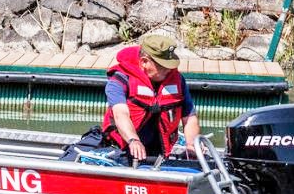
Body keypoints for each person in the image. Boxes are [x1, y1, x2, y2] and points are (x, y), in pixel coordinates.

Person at [60, 32, 201, 164]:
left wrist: (191, 145)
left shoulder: (177, 80)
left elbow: (189, 117)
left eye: (170, 66)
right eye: (163, 67)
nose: (169, 70)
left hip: (158, 152)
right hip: (122, 149)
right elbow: (120, 114)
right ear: (144, 62)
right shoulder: (120, 80)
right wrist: (133, 140)